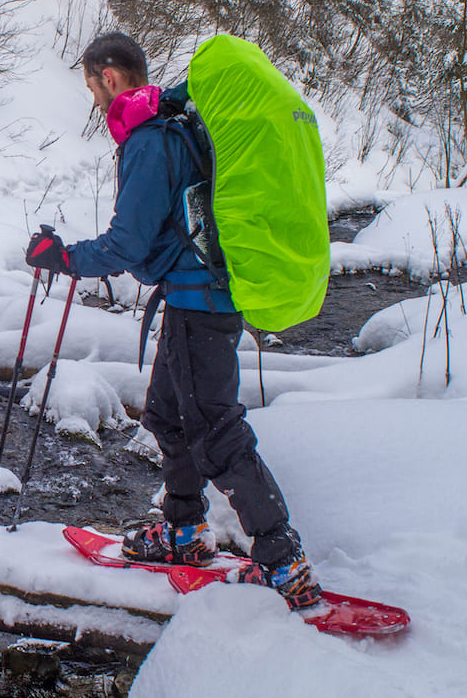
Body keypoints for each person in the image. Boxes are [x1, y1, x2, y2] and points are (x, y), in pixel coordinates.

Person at [24, 32, 322, 610]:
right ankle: (183, 532)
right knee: (166, 414)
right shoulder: (179, 126)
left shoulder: (150, 139)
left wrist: (63, 258)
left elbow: (128, 244)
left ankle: (283, 559)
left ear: (109, 77)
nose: (93, 101)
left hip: (198, 304)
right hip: (200, 299)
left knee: (216, 429)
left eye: (90, 87)